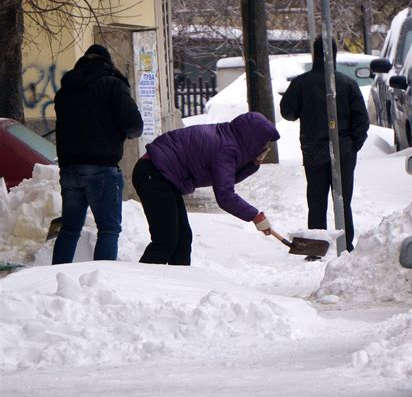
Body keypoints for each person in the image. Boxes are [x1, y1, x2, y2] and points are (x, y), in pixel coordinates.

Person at [132, 112, 279, 265]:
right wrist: (255, 216)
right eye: (263, 143)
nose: (264, 147)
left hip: (163, 176)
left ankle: (176, 286)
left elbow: (224, 179)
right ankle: (141, 284)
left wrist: (253, 164)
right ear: (253, 140)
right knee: (165, 241)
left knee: (182, 241)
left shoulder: (228, 138)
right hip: (154, 173)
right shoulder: (227, 149)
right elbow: (225, 195)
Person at [52, 44, 143, 264]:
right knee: (108, 230)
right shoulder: (112, 84)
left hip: (70, 168)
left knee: (70, 229)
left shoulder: (66, 90)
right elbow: (134, 125)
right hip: (101, 167)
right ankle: (102, 281)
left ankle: (54, 277)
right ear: (106, 62)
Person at [280, 36, 369, 253]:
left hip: (313, 150)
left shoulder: (301, 83)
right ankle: (345, 245)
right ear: (335, 55)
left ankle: (315, 248)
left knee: (316, 200)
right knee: (343, 200)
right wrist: (352, 145)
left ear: (315, 54)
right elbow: (362, 121)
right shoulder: (348, 84)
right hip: (344, 151)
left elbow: (288, 112)